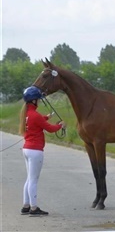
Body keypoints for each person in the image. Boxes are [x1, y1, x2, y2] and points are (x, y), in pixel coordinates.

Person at [19, 86, 65, 216]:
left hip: (27, 149)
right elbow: (50, 129)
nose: (39, 101)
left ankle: (26, 206)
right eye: (38, 99)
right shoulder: (35, 115)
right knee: (33, 180)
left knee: (29, 179)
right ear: (33, 101)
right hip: (35, 151)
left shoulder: (27, 114)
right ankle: (34, 208)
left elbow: (38, 121)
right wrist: (60, 125)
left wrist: (47, 117)